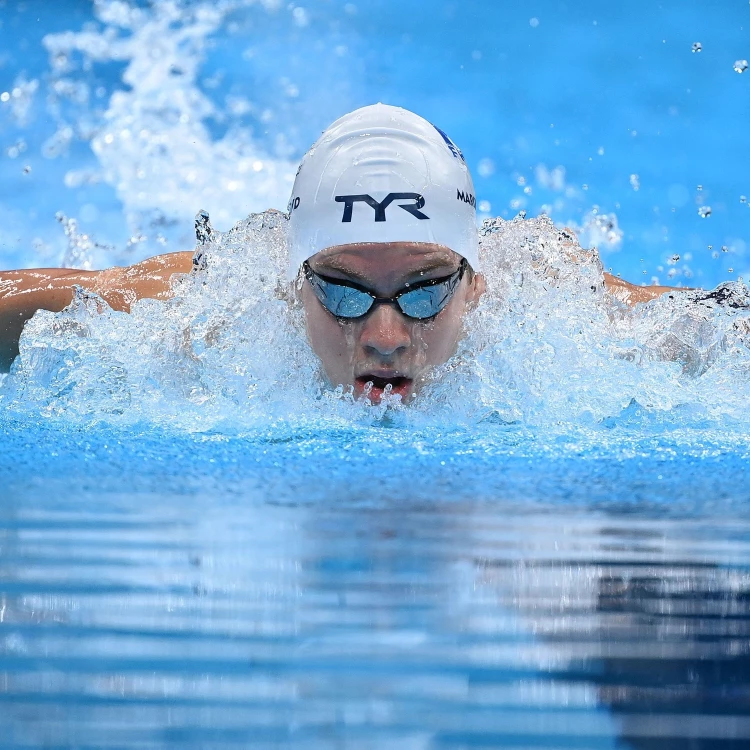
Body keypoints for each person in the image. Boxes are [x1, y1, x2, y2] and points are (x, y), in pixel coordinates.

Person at [0, 104, 681, 401]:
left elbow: (712, 326)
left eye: (423, 290)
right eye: (342, 292)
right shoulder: (201, 313)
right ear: (289, 284)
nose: (385, 338)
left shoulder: (562, 310)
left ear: (477, 283)